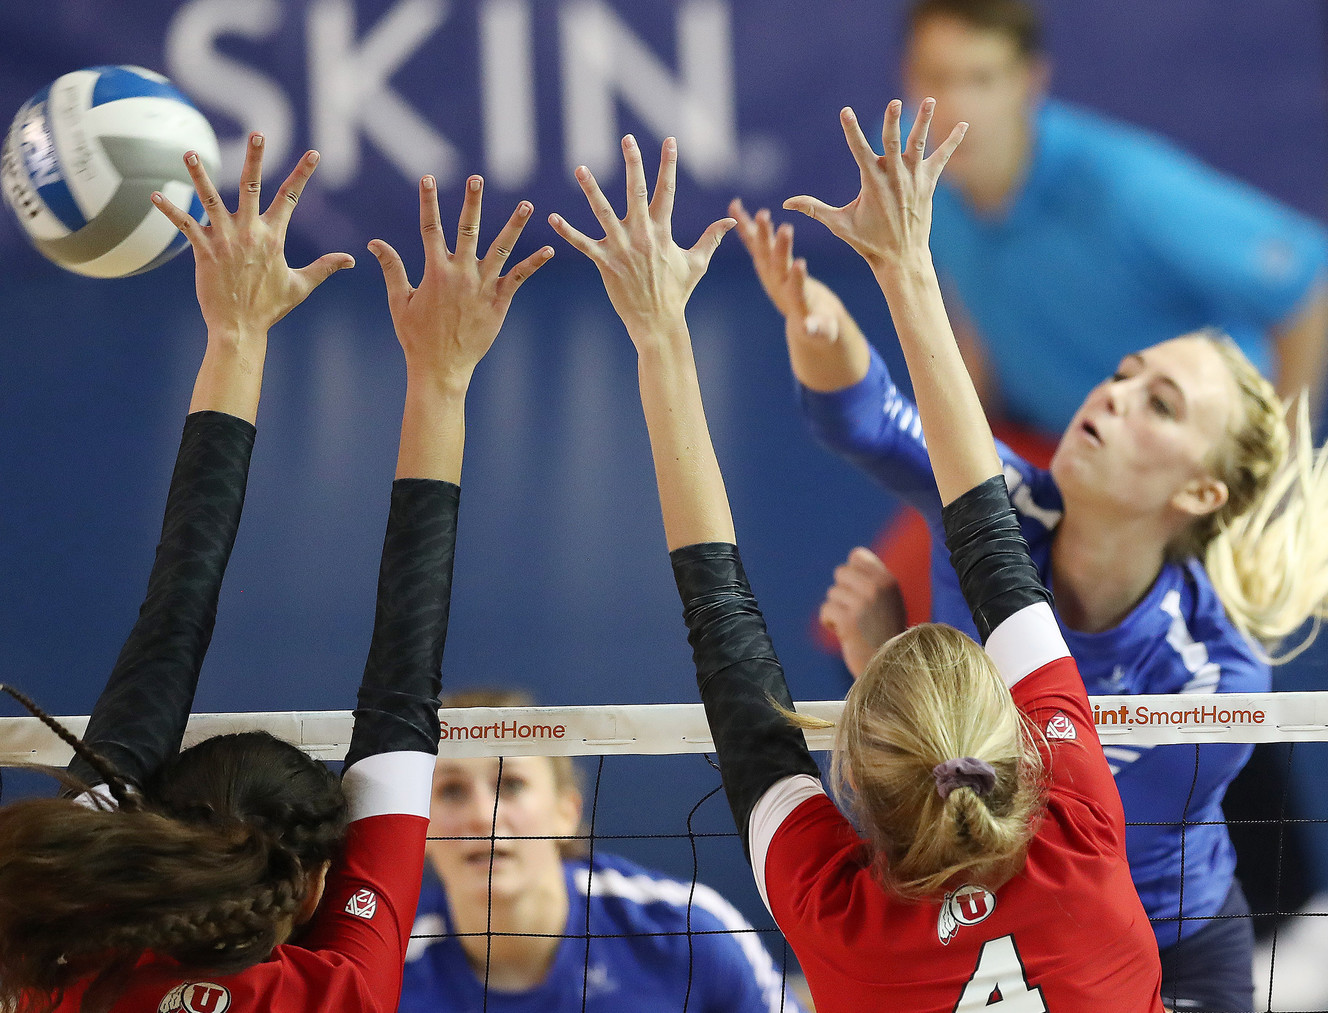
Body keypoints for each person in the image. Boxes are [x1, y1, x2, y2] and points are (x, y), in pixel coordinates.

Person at [551, 111, 1166, 1009]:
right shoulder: (1076, 833)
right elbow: (987, 538)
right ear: (1021, 745)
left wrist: (658, 334)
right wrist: (911, 266)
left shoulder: (840, 914)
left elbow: (975, 541)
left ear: (856, 784)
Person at [732, 91, 1328, 1010]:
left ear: (1201, 493)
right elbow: (871, 415)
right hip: (1006, 911)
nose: (1115, 395)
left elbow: (1005, 816)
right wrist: (817, 322)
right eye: (1125, 374)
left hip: (1164, 942)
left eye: (1160, 405)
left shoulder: (1217, 680)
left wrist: (891, 669)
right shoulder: (1001, 500)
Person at [0, 135, 552, 1013]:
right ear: (314, 886)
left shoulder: (62, 958)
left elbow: (381, 691)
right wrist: (438, 381)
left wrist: (241, 334)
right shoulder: (326, 991)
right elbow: (178, 614)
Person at [399, 688, 804, 1013]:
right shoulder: (388, 968)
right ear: (420, 823)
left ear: (566, 814)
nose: (482, 816)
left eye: (512, 785)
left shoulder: (686, 929)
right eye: (451, 790)